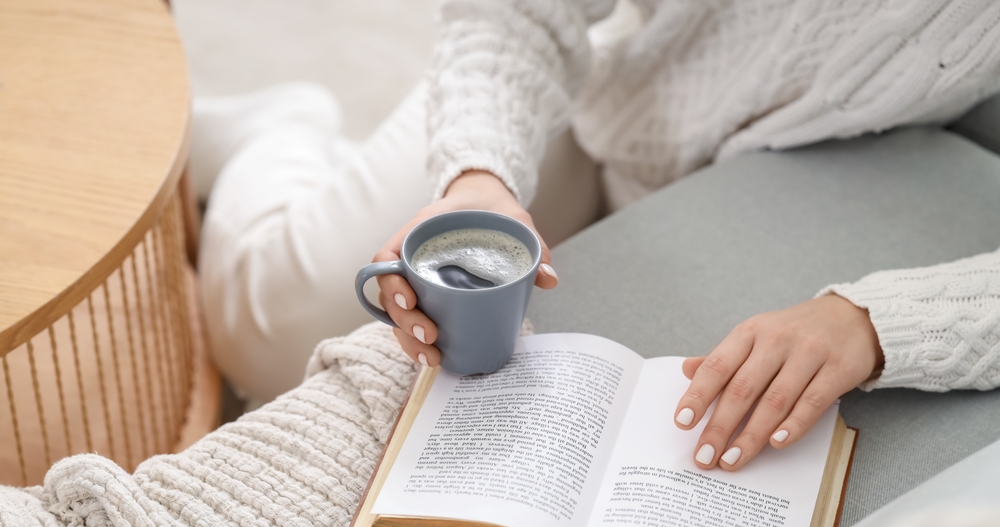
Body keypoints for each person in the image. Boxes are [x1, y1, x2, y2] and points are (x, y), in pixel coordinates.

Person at [198, 0, 1000, 462]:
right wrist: (479, 171)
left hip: (793, 192)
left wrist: (874, 322)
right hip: (593, 105)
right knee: (266, 336)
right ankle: (277, 128)